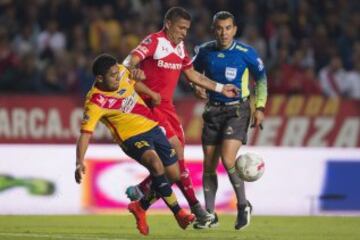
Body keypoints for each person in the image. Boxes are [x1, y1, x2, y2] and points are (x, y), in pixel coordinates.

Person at [122, 6, 238, 225]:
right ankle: (196, 207)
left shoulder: (180, 48)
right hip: (148, 106)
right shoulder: (154, 41)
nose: (184, 33)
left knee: (176, 165)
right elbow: (129, 61)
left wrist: (221, 88)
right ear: (168, 24)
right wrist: (133, 70)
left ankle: (142, 198)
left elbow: (192, 74)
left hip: (168, 108)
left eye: (187, 29)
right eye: (181, 28)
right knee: (175, 151)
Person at [74, 54, 195, 236]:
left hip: (152, 126)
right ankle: (179, 212)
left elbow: (132, 82)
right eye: (112, 75)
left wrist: (150, 92)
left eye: (117, 72)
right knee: (156, 164)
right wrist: (79, 161)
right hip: (131, 137)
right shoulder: (95, 102)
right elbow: (85, 135)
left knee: (173, 174)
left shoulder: (122, 71)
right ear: (100, 78)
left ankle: (140, 206)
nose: (118, 76)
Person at [191, 11, 268, 230]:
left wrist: (260, 107)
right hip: (212, 110)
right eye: (219, 28)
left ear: (234, 29)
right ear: (213, 30)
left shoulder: (247, 53)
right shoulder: (204, 52)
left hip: (238, 110)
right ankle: (210, 214)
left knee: (227, 158)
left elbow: (261, 80)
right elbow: (191, 73)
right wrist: (195, 86)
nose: (223, 33)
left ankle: (243, 205)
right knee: (208, 164)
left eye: (228, 28)